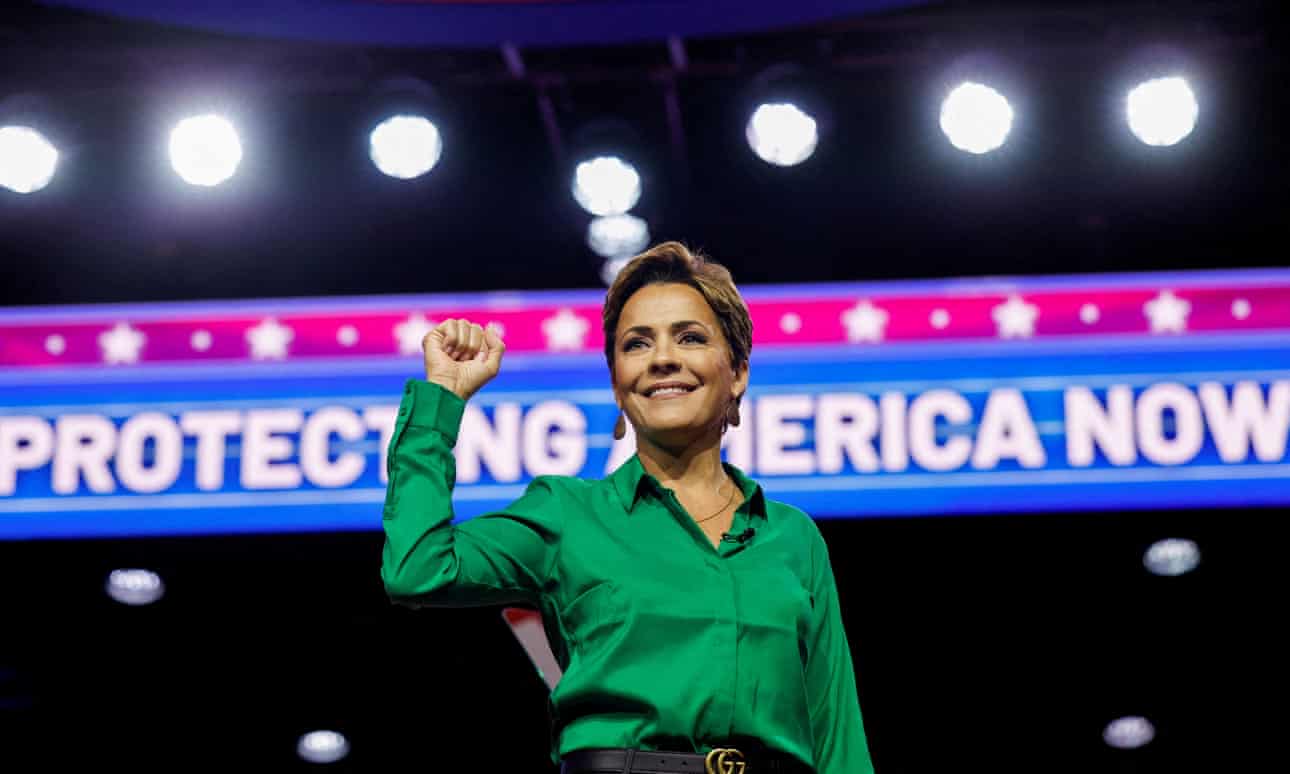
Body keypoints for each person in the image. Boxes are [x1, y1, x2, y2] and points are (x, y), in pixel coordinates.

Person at [381, 242, 875, 773]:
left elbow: (836, 732)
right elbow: (418, 570)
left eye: (689, 337)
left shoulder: (793, 537)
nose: (663, 358)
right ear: (618, 385)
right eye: (636, 344)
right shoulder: (567, 513)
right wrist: (442, 400)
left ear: (737, 372)